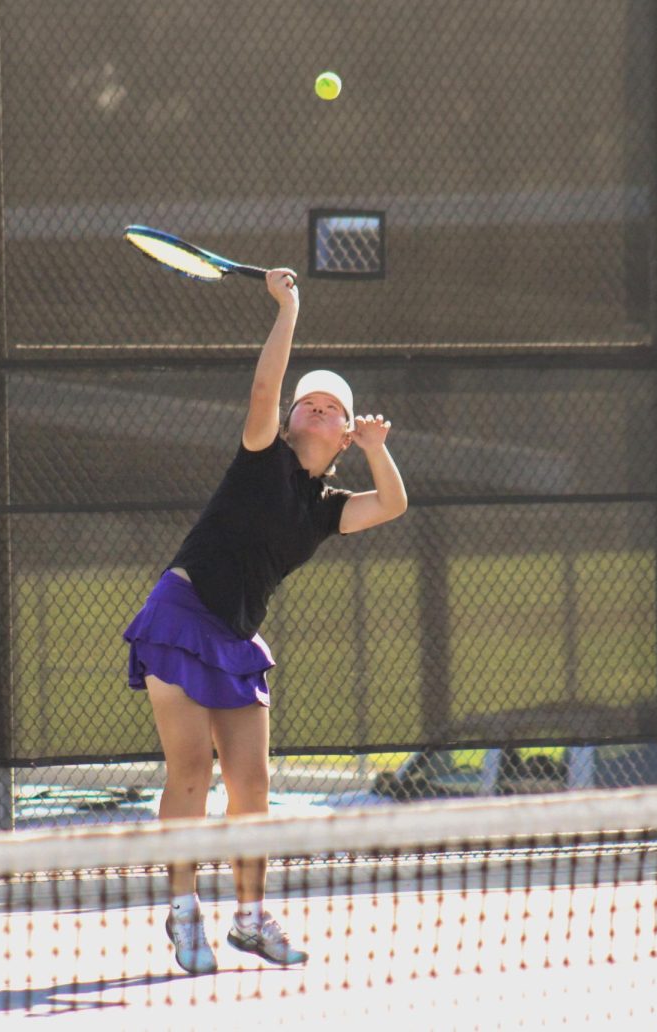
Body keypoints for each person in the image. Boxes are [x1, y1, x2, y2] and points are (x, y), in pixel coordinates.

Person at [123, 267, 407, 975]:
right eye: (305, 404)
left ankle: (249, 916)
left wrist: (377, 448)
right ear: (289, 422)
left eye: (328, 408)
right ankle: (185, 910)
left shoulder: (328, 506)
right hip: (181, 614)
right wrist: (289, 309)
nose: (313, 409)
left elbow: (393, 505)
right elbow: (262, 390)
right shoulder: (261, 460)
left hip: (238, 639)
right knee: (191, 769)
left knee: (252, 788)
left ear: (342, 434)